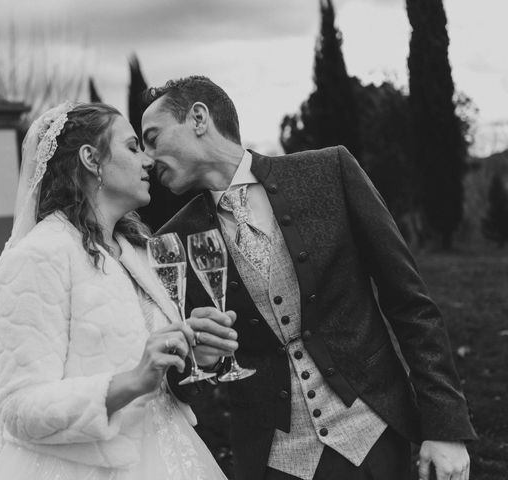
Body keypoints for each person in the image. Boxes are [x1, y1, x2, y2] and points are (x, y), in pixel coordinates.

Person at [141, 76, 476, 480]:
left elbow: (411, 304)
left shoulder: (328, 171)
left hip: (373, 436)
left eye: (153, 137)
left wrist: (446, 427)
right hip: (275, 461)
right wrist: (199, 358)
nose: (146, 157)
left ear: (198, 117)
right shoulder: (171, 242)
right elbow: (179, 383)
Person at [0, 102, 237, 480]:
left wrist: (197, 355)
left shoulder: (140, 251)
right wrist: (130, 382)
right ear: (92, 159)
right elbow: (19, 408)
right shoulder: (40, 255)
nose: (148, 162)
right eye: (132, 147)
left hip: (173, 456)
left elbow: (160, 380)